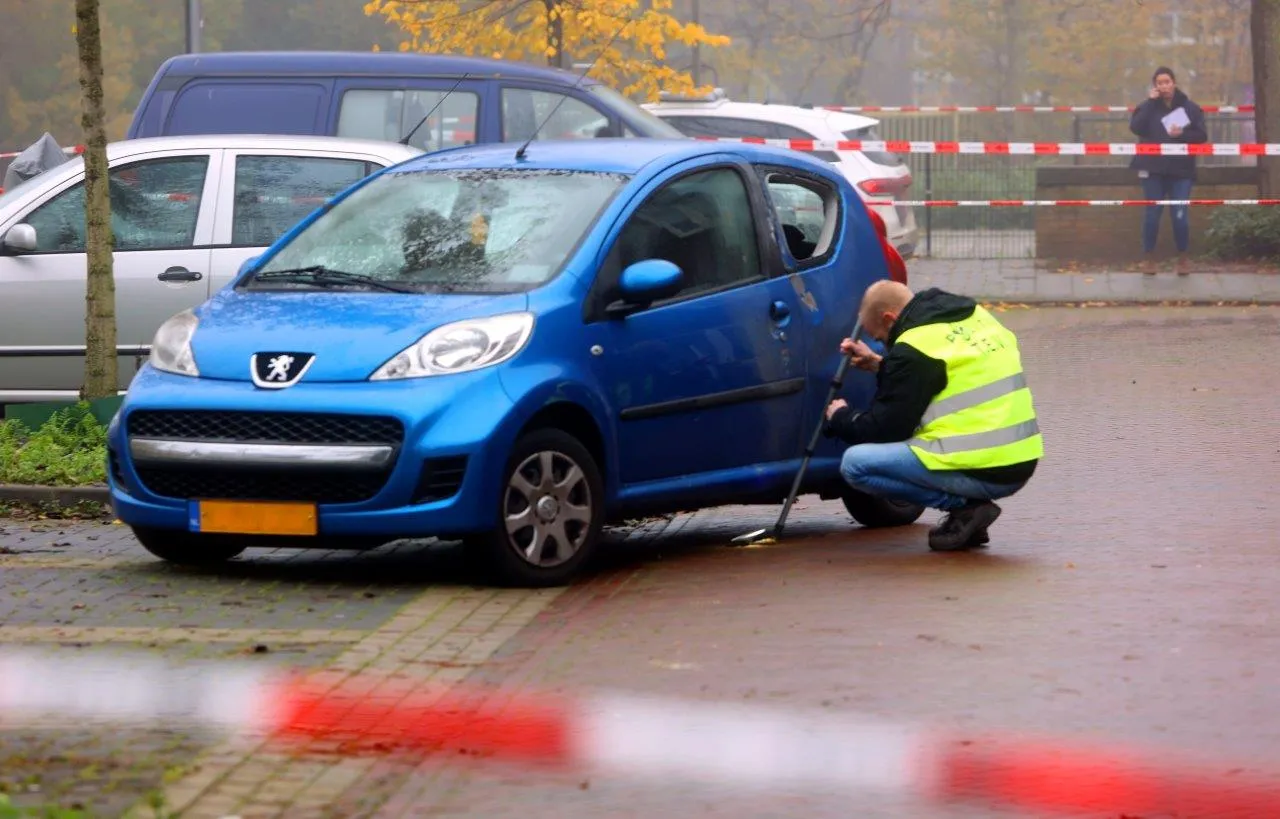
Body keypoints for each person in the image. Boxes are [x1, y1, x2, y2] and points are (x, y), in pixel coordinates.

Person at [824, 281, 1043, 551]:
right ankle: (970, 512)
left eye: (881, 338)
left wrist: (841, 417)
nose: (884, 344)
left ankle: (965, 508)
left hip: (981, 465)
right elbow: (944, 375)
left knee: (855, 465)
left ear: (889, 318)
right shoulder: (975, 316)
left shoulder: (914, 347)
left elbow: (882, 429)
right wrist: (881, 365)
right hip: (1020, 461)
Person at [1129, 67, 1208, 274]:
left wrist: (1182, 133)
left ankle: (1182, 258)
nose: (1164, 86)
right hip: (1152, 169)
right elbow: (1136, 127)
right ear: (1154, 86)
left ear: (1174, 83)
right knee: (1152, 214)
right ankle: (1149, 259)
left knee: (1179, 215)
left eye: (1167, 82)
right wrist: (1149, 103)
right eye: (1159, 83)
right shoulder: (1147, 107)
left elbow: (1201, 136)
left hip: (1181, 170)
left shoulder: (1190, 108)